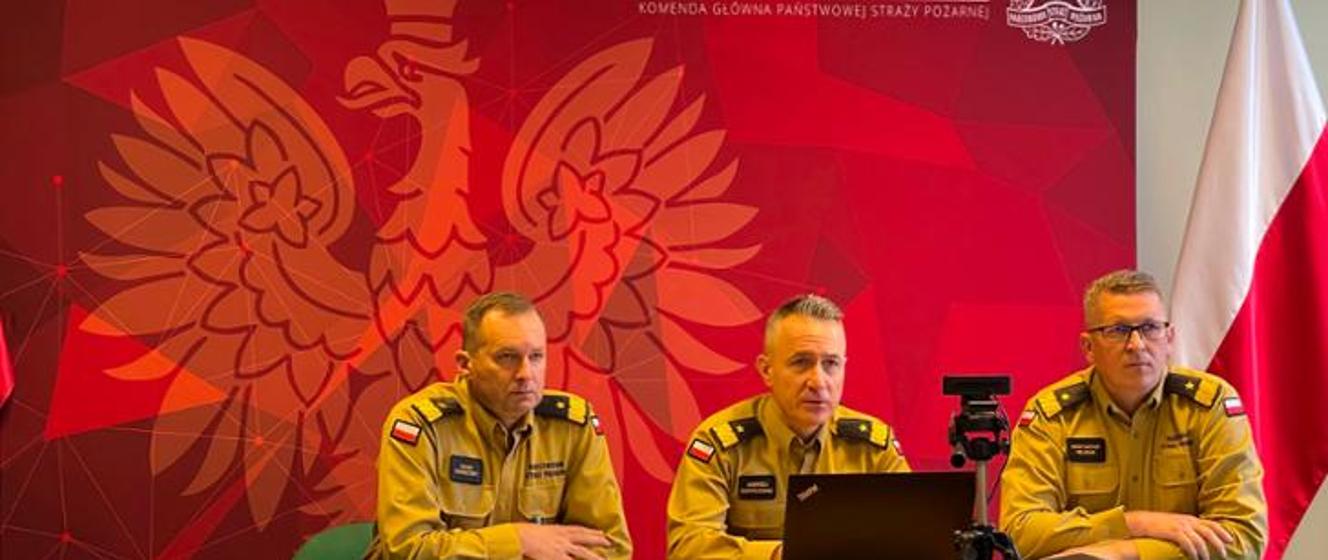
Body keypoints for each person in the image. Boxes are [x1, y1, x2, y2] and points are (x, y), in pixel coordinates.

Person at [1000, 270, 1266, 560]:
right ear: (1088, 347)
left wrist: (1122, 553)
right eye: (1117, 330)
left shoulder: (1208, 406)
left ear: (1169, 338)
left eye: (1150, 328)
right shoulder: (1053, 416)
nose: (1137, 345)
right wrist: (1134, 523)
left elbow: (1244, 538)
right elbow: (1019, 534)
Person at [369, 292, 631, 559]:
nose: (526, 374)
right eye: (507, 357)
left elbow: (611, 547)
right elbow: (408, 550)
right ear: (465, 364)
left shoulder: (573, 426)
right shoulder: (421, 425)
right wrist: (518, 541)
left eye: (536, 356)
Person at [666, 293, 910, 559]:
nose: (819, 381)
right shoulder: (720, 445)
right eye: (801, 363)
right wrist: (783, 555)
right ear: (766, 370)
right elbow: (687, 547)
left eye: (831, 364)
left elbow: (917, 535)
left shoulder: (873, 449)